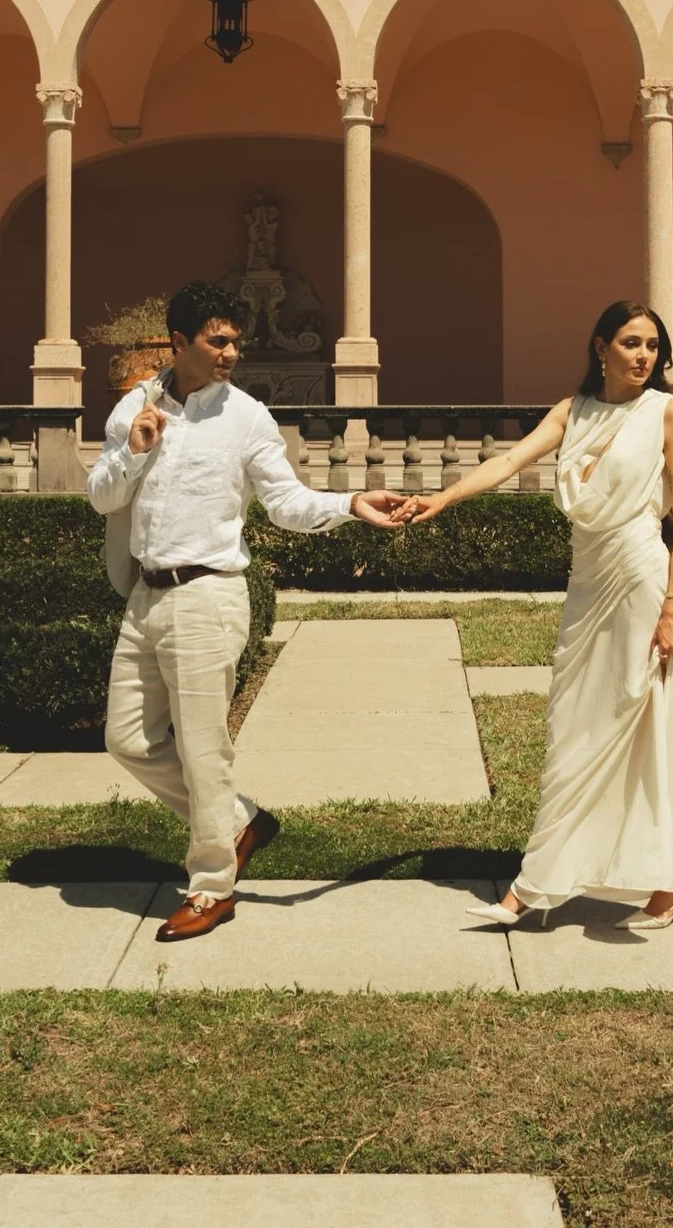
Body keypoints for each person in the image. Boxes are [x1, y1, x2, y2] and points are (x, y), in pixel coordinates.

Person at [88, 279, 404, 941]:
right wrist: (133, 451)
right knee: (126, 739)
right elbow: (102, 498)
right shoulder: (132, 410)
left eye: (235, 340)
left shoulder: (247, 417)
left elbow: (287, 503)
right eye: (218, 339)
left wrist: (349, 505)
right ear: (180, 342)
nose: (232, 352)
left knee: (205, 751)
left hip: (209, 595)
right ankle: (237, 821)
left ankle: (211, 888)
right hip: (146, 595)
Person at [397, 301, 673, 930]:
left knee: (645, 723)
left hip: (642, 579)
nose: (643, 356)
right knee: (574, 725)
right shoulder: (572, 412)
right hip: (587, 586)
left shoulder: (667, 413)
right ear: (599, 347)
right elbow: (508, 462)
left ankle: (576, 887)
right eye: (630, 342)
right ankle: (607, 874)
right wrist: (444, 498)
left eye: (653, 346)